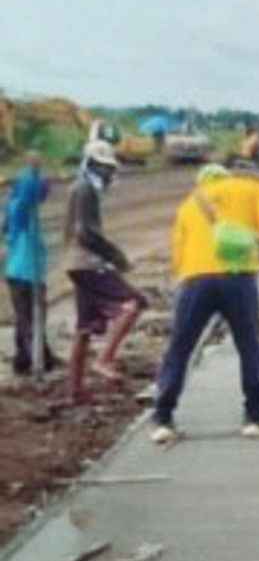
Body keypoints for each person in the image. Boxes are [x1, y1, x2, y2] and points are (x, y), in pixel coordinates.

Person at [149, 164, 259, 444]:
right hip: (239, 278)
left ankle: (163, 419)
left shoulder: (189, 203)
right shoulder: (251, 189)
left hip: (195, 280)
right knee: (249, 345)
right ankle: (253, 418)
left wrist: (189, 276)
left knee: (180, 348)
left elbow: (177, 254)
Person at [63, 141, 147, 404]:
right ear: (93, 166)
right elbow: (85, 232)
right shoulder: (85, 189)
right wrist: (115, 256)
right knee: (133, 303)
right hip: (88, 262)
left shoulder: (78, 188)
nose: (110, 174)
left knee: (84, 328)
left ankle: (75, 390)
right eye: (106, 168)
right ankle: (104, 359)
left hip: (74, 263)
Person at [4, 152, 60, 375]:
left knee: (27, 318)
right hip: (24, 274)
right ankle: (35, 361)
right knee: (31, 319)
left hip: (23, 272)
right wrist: (33, 172)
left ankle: (28, 359)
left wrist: (38, 175)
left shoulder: (21, 207)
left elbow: (37, 191)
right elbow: (30, 193)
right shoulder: (21, 209)